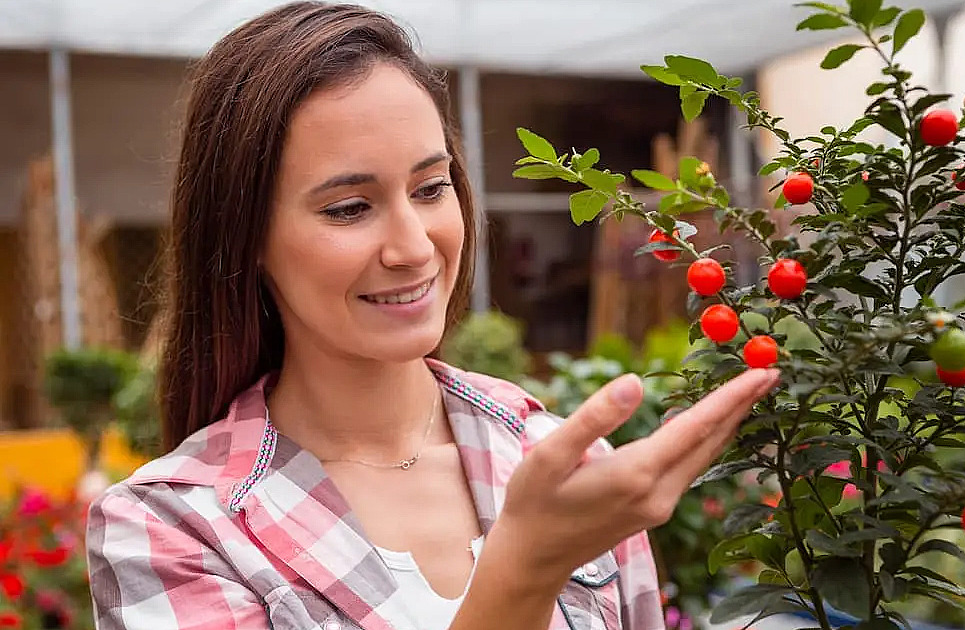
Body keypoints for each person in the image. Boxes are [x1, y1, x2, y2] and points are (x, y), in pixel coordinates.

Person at [84, 2, 779, 629]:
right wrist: (524, 572)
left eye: (430, 187)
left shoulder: (558, 462)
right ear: (246, 238)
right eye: (348, 207)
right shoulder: (172, 528)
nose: (415, 248)